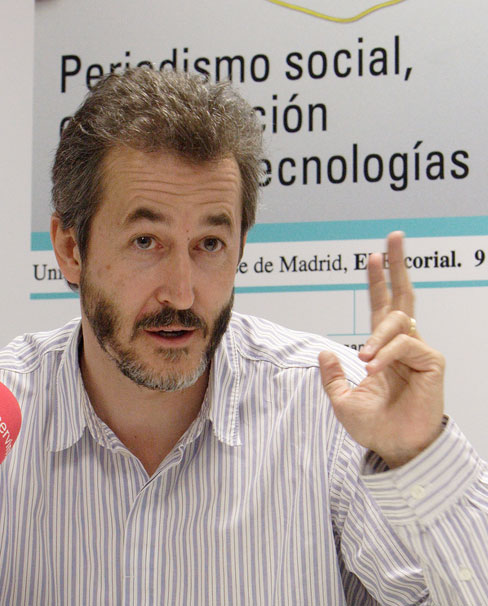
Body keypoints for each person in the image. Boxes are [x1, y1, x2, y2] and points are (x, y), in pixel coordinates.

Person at [0, 68, 487, 606]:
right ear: (71, 250)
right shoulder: (8, 412)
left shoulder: (331, 407)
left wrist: (418, 456)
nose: (182, 293)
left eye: (210, 244)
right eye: (146, 241)